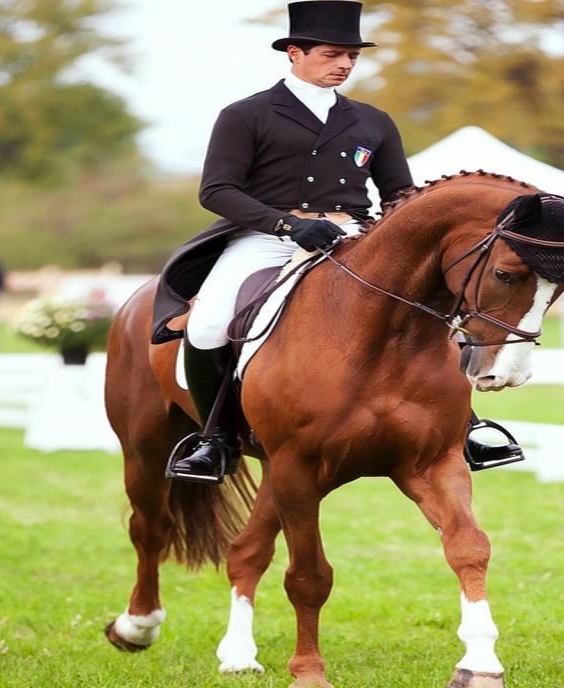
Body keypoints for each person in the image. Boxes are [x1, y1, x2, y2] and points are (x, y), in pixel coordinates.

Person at [153, 0, 522, 484]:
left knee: (428, 306)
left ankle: (465, 425)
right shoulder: (246, 114)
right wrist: (287, 225)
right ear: (294, 53)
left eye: (352, 56)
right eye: (332, 55)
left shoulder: (373, 121)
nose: (345, 65)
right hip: (266, 237)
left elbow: (399, 197)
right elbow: (217, 191)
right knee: (207, 325)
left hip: (352, 234)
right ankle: (215, 440)